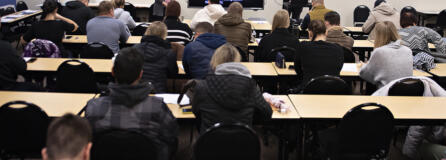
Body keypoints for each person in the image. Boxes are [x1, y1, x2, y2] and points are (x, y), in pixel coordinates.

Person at [85, 47, 179, 160]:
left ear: (113, 72)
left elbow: (88, 140)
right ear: (140, 74)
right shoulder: (157, 106)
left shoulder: (93, 107)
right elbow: (171, 136)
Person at [190, 43, 273, 133]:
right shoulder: (251, 86)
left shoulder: (202, 87)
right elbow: (267, 113)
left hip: (210, 142)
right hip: (243, 142)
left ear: (214, 61)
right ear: (237, 61)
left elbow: (196, 113)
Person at [359, 21, 413, 88]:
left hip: (387, 91)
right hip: (407, 91)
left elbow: (366, 75)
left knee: (371, 83)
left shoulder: (379, 52)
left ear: (378, 35)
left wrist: (363, 66)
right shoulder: (408, 50)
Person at [294, 20, 344, 89]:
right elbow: (339, 68)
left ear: (310, 33)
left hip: (309, 89)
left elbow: (297, 68)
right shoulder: (338, 48)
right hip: (334, 89)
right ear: (326, 32)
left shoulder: (303, 46)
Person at [134, 21, 178, 93]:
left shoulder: (135, 49)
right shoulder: (168, 53)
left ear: (147, 31)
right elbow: (173, 74)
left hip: (137, 90)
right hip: (158, 90)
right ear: (164, 35)